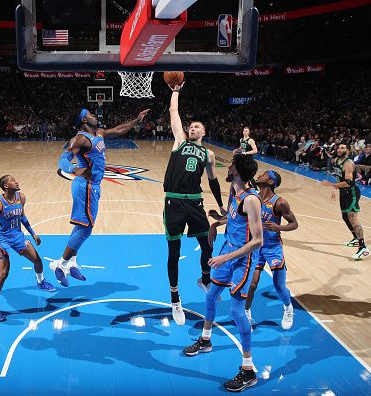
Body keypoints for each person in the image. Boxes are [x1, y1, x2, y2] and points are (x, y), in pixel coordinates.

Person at [183, 153, 262, 392]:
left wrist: (226, 257)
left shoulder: (251, 200)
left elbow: (257, 240)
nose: (227, 167)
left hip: (242, 259)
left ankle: (248, 370)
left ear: (237, 170)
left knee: (237, 312)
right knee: (210, 295)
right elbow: (235, 219)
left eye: (231, 165)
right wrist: (216, 224)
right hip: (228, 251)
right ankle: (205, 340)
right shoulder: (233, 190)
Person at [50, 107, 149, 286]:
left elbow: (119, 130)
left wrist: (136, 120)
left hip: (93, 186)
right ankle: (60, 264)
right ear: (83, 120)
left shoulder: (99, 133)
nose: (94, 115)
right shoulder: (80, 139)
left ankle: (72, 262)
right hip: (85, 186)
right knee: (86, 228)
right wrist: (74, 169)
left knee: (82, 226)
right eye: (90, 114)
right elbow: (63, 160)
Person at [162, 81, 227, 325]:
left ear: (204, 132)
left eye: (196, 126)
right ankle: (175, 300)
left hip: (196, 203)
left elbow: (213, 181)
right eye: (190, 126)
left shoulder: (208, 154)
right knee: (174, 252)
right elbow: (173, 113)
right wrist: (176, 91)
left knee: (208, 246)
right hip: (175, 203)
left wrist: (221, 205)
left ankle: (205, 279)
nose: (191, 128)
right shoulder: (179, 141)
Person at [0, 175, 56, 321]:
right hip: (2, 239)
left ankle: (40, 282)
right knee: (4, 273)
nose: (16, 182)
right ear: (5, 186)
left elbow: (22, 217)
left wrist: (33, 233)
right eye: (12, 181)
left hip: (17, 236)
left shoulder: (21, 198)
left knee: (38, 261)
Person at [245, 170, 298, 330]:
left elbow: (294, 223)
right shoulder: (252, 197)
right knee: (252, 284)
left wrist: (278, 227)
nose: (260, 175)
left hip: (273, 247)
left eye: (265, 174)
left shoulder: (279, 202)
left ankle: (288, 308)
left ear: (271, 182)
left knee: (279, 286)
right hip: (256, 247)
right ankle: (246, 312)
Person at [321, 143, 370, 260]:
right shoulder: (336, 161)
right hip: (343, 192)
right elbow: (339, 177)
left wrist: (331, 185)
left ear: (347, 151)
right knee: (345, 217)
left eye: (342, 148)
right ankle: (355, 238)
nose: (339, 149)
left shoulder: (348, 163)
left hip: (351, 193)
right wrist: (336, 189)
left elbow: (348, 182)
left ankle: (362, 247)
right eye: (338, 147)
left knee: (352, 218)